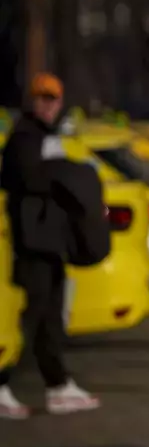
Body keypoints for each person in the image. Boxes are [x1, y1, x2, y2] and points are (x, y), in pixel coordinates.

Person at [0, 73, 101, 419]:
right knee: (30, 317)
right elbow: (28, 177)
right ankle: (3, 382)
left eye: (52, 98)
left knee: (49, 317)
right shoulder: (24, 137)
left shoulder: (49, 136)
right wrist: (69, 174)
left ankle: (58, 385)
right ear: (31, 100)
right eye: (41, 97)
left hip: (49, 240)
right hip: (32, 242)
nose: (47, 104)